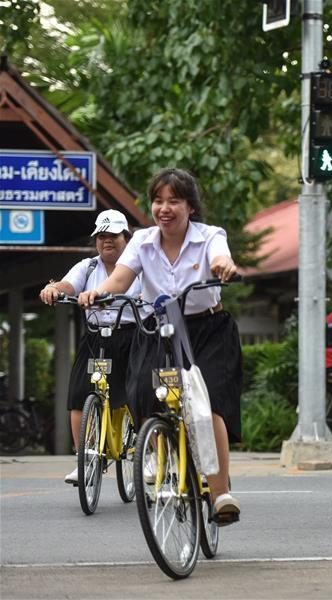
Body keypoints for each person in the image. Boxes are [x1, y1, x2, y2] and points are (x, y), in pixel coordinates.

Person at [79, 168, 242, 524]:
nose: (164, 208)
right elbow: (120, 280)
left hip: (207, 330)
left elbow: (220, 258)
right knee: (141, 392)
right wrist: (98, 292)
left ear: (190, 207)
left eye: (174, 201)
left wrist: (224, 266)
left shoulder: (209, 236)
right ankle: (156, 450)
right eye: (158, 200)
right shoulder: (141, 241)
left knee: (209, 402)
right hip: (159, 330)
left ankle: (219, 494)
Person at [39, 210, 142, 485]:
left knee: (139, 392)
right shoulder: (89, 267)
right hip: (97, 338)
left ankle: (149, 454)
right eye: (101, 236)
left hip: (133, 337)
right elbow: (67, 285)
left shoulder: (138, 265)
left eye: (113, 236)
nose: (107, 241)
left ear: (126, 238)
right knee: (79, 394)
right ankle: (84, 458)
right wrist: (53, 289)